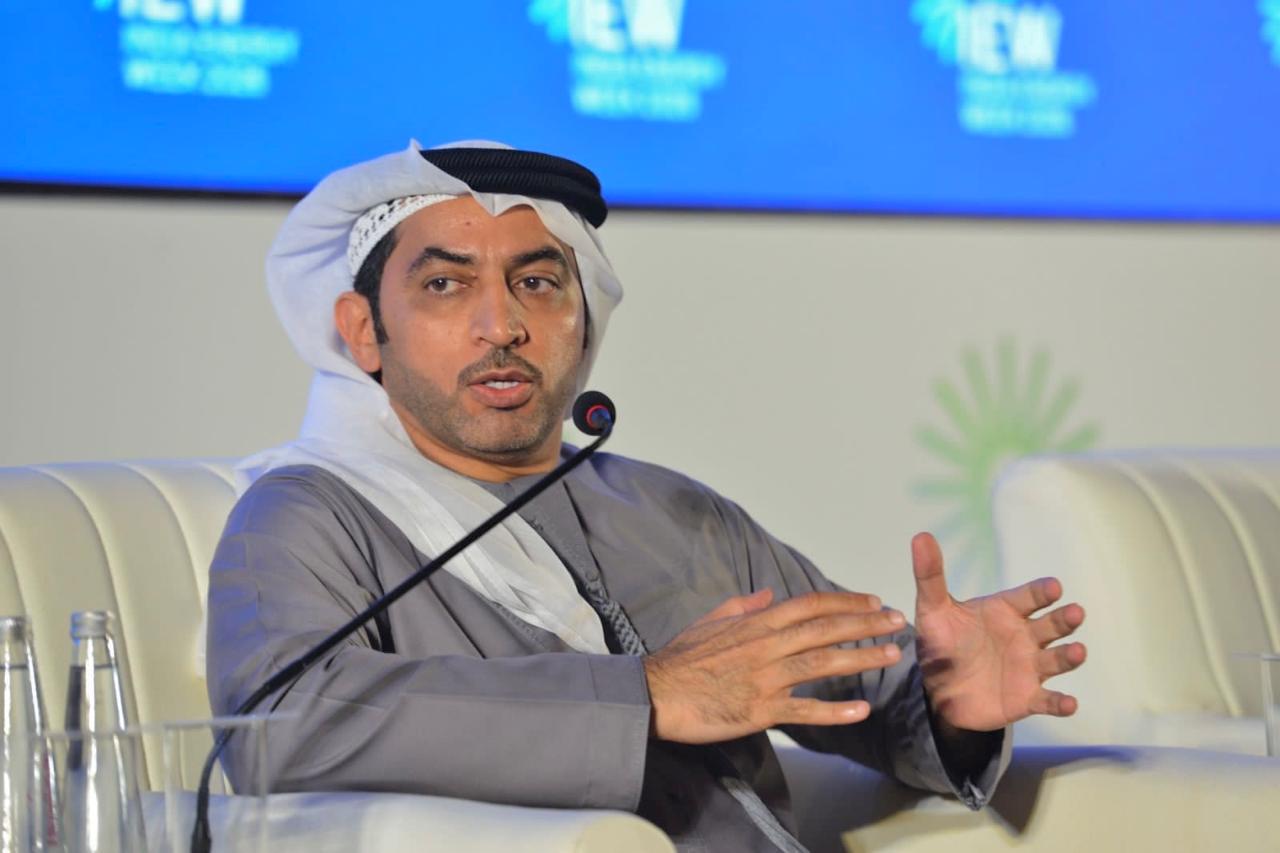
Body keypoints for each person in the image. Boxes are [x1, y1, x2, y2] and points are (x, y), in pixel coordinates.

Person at [206, 140, 1087, 853]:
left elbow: (863, 688)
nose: (501, 324)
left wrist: (948, 702)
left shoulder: (672, 511)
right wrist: (647, 696)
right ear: (364, 331)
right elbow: (279, 723)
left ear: (583, 319)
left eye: (537, 282)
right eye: (445, 284)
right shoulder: (306, 513)